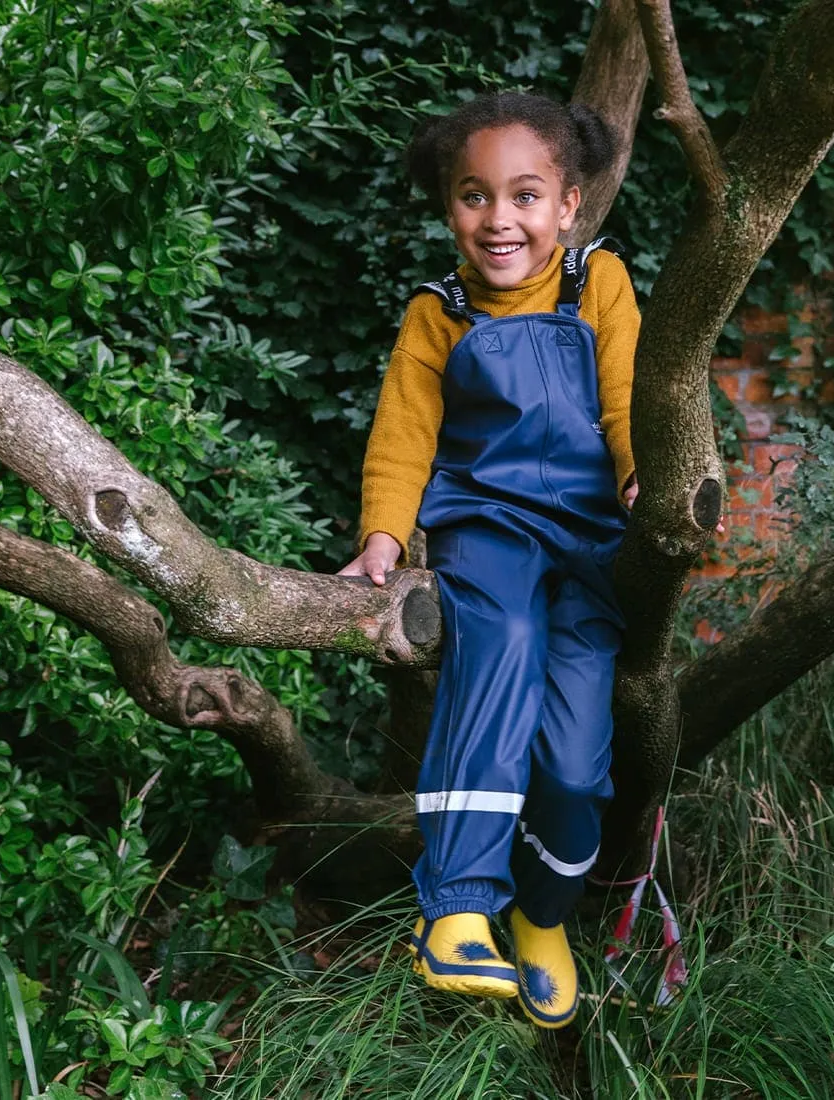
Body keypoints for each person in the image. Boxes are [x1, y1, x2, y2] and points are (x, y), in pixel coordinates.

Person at [339, 91, 640, 1029]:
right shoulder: (438, 312)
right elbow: (404, 433)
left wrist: (643, 481)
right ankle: (461, 906)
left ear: (569, 204)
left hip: (590, 541)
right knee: (501, 644)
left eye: (524, 195)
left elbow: (630, 396)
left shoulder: (600, 284)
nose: (499, 220)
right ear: (448, 207)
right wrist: (384, 539)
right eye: (474, 196)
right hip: (487, 528)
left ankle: (544, 915)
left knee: (578, 758)